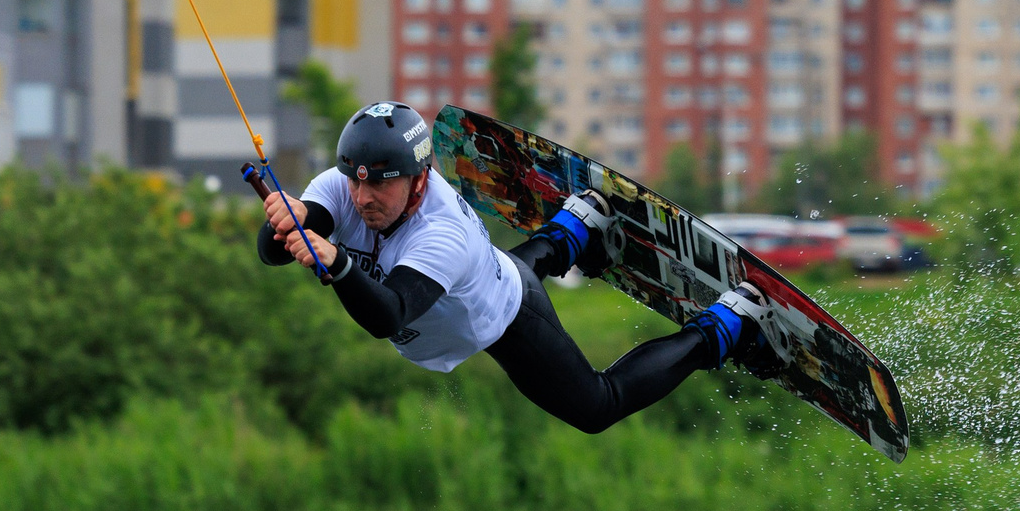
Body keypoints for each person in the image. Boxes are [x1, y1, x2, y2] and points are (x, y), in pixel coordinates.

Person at [255, 102, 777, 433]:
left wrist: (338, 261)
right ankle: (578, 225)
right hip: (487, 274)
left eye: (381, 185)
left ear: (419, 178)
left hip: (506, 315)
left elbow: (388, 315)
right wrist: (292, 217)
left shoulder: (441, 233)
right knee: (505, 268)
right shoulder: (341, 186)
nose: (364, 198)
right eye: (357, 182)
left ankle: (723, 326)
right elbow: (273, 249)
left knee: (596, 407)